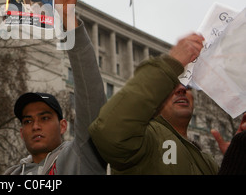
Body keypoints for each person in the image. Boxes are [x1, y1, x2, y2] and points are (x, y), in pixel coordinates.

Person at [4, 0, 107, 175]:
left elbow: (90, 95)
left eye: (44, 118)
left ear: (62, 126)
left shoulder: (80, 156)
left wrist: (68, 17)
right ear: (21, 132)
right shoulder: (10, 175)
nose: (35, 126)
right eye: (27, 121)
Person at [88, 33, 221, 174]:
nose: (182, 89)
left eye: (186, 85)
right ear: (156, 99)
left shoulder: (208, 163)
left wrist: (237, 157)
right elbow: (110, 132)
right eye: (172, 85)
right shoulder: (143, 140)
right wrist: (171, 65)